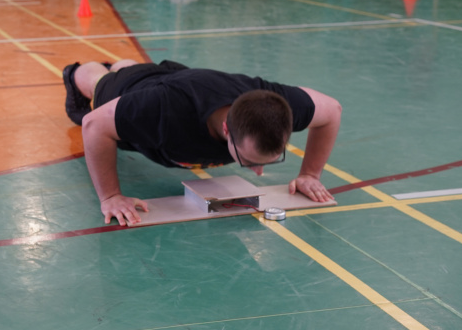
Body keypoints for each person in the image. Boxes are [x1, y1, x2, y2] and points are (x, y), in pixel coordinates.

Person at [60, 59, 341, 226]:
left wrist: (309, 174)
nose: (258, 172)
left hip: (180, 81)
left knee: (131, 69)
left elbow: (331, 110)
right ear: (226, 130)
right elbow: (93, 125)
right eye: (250, 161)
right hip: (141, 92)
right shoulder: (162, 108)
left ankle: (125, 66)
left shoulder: (278, 103)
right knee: (102, 81)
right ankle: (77, 73)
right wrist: (110, 196)